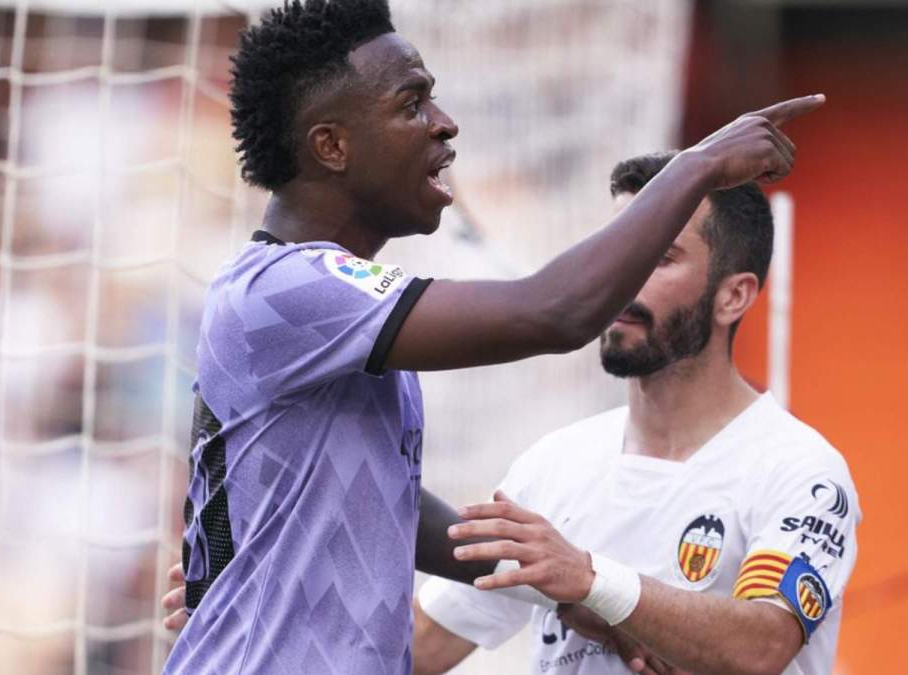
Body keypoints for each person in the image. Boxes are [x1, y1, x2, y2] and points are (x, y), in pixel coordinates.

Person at [165, 0, 822, 671]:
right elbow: (556, 311)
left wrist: (566, 590)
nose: (444, 124)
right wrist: (698, 165)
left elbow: (381, 496)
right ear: (332, 145)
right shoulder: (288, 290)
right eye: (411, 103)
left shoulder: (332, 306)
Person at [412, 151, 861, 675]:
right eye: (620, 251)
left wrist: (591, 581)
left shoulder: (800, 470)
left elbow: (760, 646)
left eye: (659, 256)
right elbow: (419, 646)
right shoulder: (554, 464)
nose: (621, 279)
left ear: (733, 297)